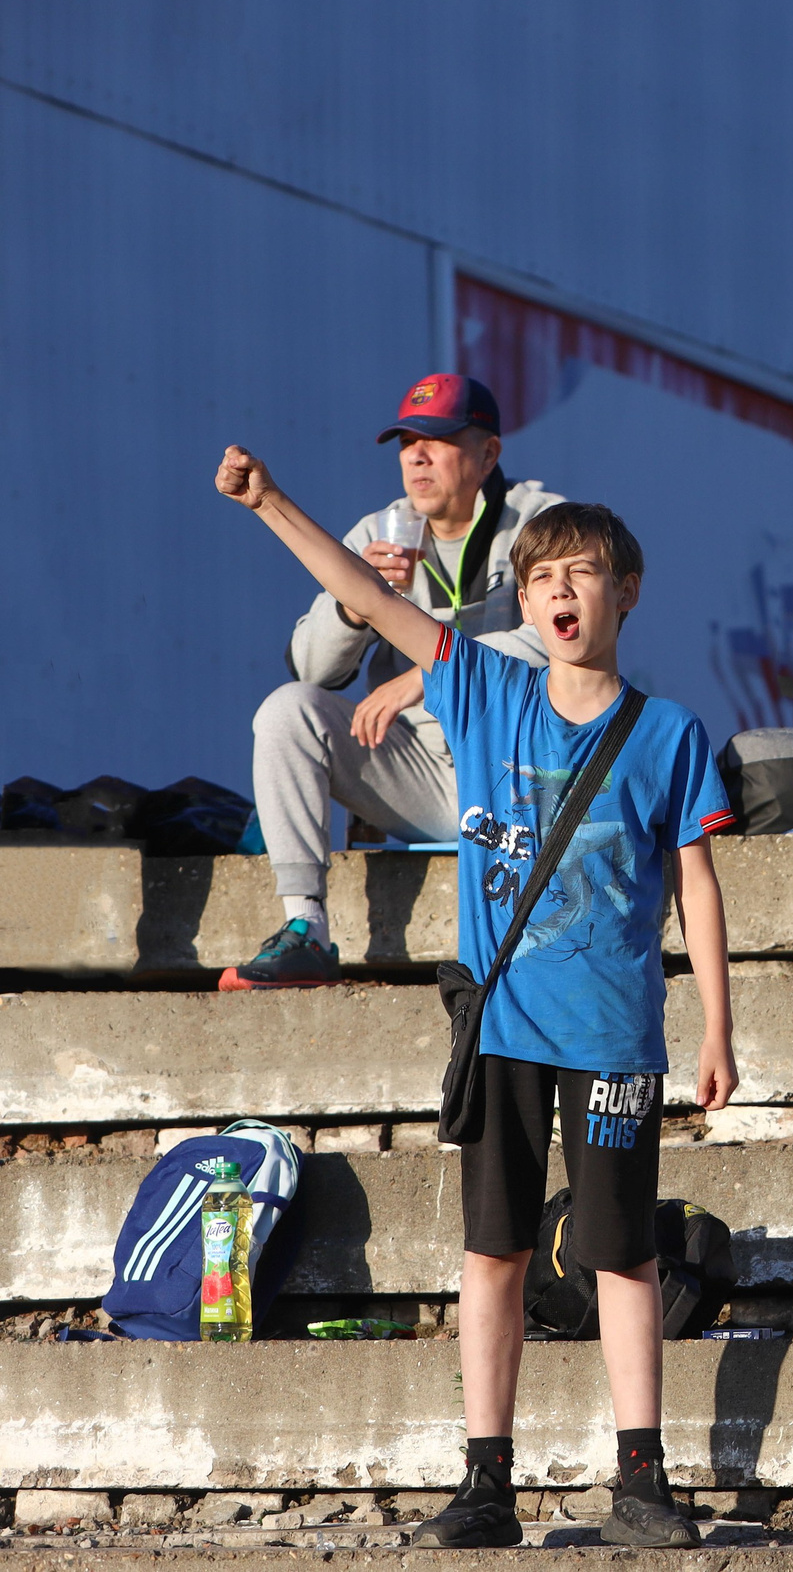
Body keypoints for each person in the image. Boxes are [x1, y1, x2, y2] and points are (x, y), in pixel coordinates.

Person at [213, 445, 739, 1550]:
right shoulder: (485, 689)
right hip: (501, 1026)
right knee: (493, 1249)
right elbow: (365, 597)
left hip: (616, 1036)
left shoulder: (669, 734)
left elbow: (696, 881)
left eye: (582, 573)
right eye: (542, 576)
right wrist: (271, 505)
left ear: (626, 591)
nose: (560, 591)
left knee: (622, 1253)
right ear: (525, 601)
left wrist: (718, 1029)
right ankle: (486, 1480)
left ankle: (641, 1479)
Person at [224, 373, 563, 989]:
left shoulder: (541, 522)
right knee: (287, 710)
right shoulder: (378, 533)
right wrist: (354, 607)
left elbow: (565, 638)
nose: (417, 456)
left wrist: (428, 675)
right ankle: (306, 926)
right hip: (422, 776)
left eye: (438, 439)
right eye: (407, 442)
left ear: (489, 453)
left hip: (516, 774)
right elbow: (311, 668)